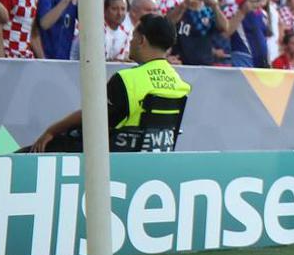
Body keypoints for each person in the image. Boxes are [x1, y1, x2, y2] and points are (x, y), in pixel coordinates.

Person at [28, 15, 191, 153]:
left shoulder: (127, 79)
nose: (131, 41)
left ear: (142, 40)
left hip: (113, 159)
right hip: (152, 158)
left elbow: (92, 118)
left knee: (29, 153)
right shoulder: (180, 84)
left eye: (133, 35)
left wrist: (51, 130)